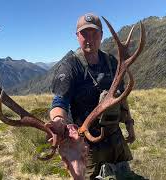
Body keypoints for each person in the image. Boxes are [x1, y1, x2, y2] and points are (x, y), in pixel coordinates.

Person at [48, 13, 136, 179]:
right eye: (84, 34)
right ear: (77, 36)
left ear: (102, 35)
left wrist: (129, 125)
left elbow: (121, 97)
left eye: (94, 33)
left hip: (115, 138)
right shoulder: (69, 67)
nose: (90, 39)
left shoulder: (112, 62)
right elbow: (60, 100)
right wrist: (59, 121)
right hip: (86, 145)